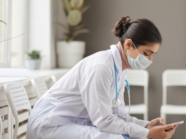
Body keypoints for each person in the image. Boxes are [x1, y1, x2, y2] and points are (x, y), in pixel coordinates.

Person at [27, 16, 177, 139]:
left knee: (125, 135)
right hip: (48, 126)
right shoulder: (102, 67)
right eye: (147, 53)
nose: (150, 60)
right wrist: (147, 133)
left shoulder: (120, 68)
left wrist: (145, 126)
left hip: (70, 122)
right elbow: (104, 122)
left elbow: (118, 114)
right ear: (129, 44)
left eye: (153, 55)